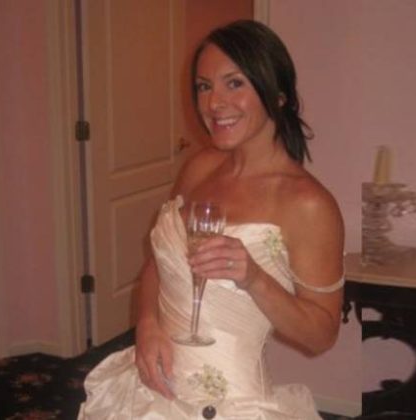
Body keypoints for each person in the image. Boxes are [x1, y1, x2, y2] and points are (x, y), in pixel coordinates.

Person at [78, 19, 345, 419]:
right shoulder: (199, 167)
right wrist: (146, 325)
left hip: (231, 405)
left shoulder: (307, 204)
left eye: (234, 83)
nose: (214, 103)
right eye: (204, 86)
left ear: (278, 94)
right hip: (152, 389)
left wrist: (254, 278)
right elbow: (160, 263)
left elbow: (321, 335)